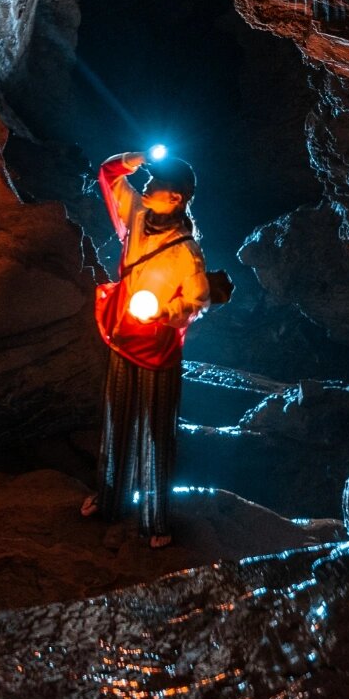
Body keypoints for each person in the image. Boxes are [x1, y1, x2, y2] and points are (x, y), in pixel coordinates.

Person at [81, 150, 231, 548]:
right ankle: (110, 501)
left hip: (158, 349)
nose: (146, 187)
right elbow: (109, 175)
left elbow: (196, 302)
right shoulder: (136, 216)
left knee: (155, 431)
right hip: (123, 334)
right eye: (148, 181)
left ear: (176, 199)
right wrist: (137, 158)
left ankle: (155, 520)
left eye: (155, 184)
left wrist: (161, 311)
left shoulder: (186, 251)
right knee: (116, 419)